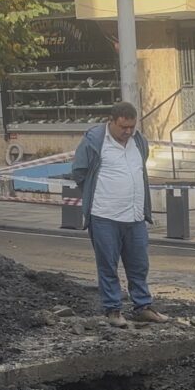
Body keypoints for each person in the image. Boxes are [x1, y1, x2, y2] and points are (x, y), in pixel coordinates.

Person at [71, 101, 167, 327]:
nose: (128, 131)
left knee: (139, 265)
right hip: (105, 216)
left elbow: (139, 169)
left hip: (134, 217)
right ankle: (113, 310)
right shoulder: (94, 142)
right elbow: (79, 172)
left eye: (131, 127)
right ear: (111, 122)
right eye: (123, 127)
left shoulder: (138, 142)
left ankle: (142, 306)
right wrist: (98, 196)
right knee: (108, 265)